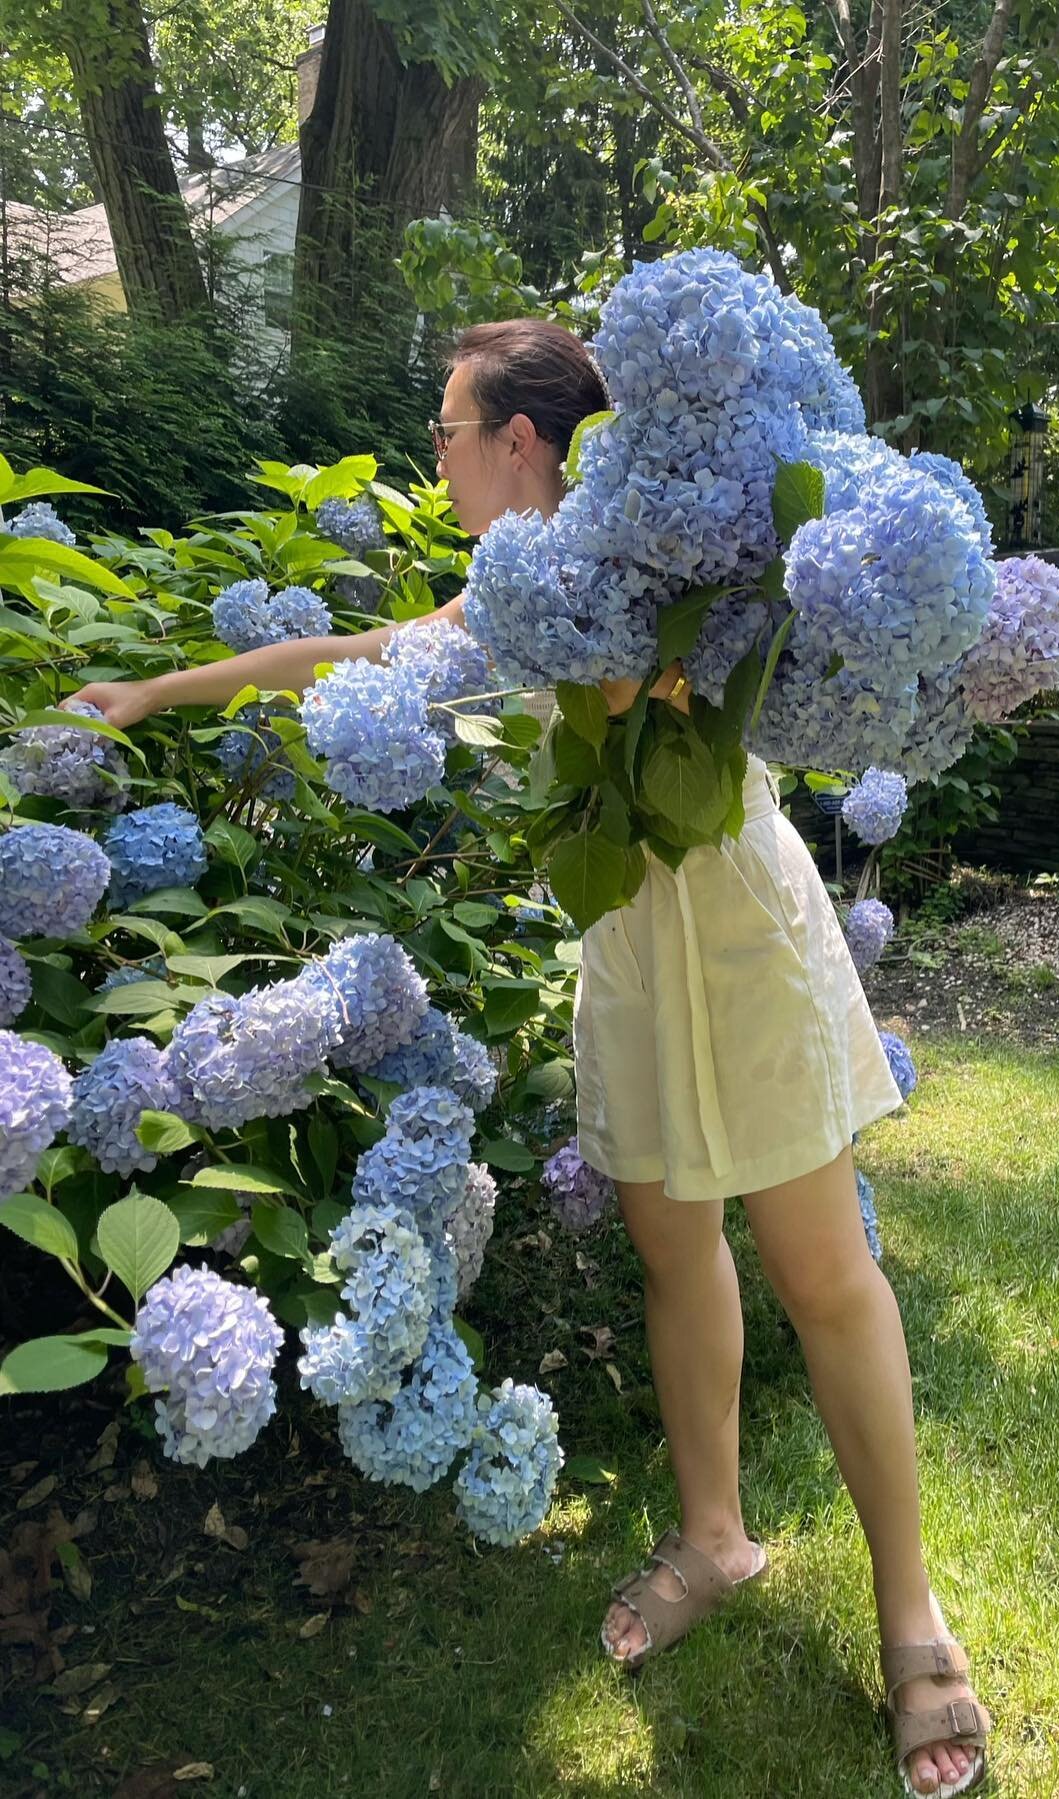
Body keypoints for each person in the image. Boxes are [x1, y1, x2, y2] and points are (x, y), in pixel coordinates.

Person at [67, 318, 992, 1797]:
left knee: (824, 1274)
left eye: (446, 429)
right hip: (632, 939)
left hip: (744, 923)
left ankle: (912, 1614)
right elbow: (355, 656)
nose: (434, 456)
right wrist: (151, 694)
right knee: (672, 1248)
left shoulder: (681, 552)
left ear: (516, 441)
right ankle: (714, 1538)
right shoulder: (519, 595)